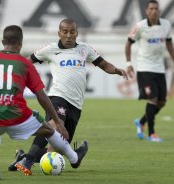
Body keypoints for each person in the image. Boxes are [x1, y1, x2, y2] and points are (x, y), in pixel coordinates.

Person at [0, 25, 88, 181]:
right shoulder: (24, 64)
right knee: (49, 130)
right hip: (18, 117)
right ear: (20, 43)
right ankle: (74, 158)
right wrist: (58, 122)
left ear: (2, 42)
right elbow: (41, 96)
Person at [8, 18, 128, 171]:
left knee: (56, 150)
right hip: (58, 97)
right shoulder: (49, 49)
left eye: (72, 32)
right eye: (65, 32)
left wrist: (116, 70)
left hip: (76, 104)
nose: (69, 35)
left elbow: (104, 65)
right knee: (53, 126)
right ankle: (28, 161)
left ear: (77, 33)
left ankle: (23, 157)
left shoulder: (85, 49)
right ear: (59, 33)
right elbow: (26, 62)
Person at [125, 0, 174, 142]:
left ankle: (141, 122)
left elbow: (169, 45)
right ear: (147, 11)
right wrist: (129, 64)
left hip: (159, 69)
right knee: (152, 99)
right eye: (151, 8)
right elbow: (128, 43)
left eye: (156, 8)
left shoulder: (166, 25)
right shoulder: (140, 26)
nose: (154, 11)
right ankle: (152, 134)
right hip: (144, 68)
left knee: (162, 102)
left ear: (159, 10)